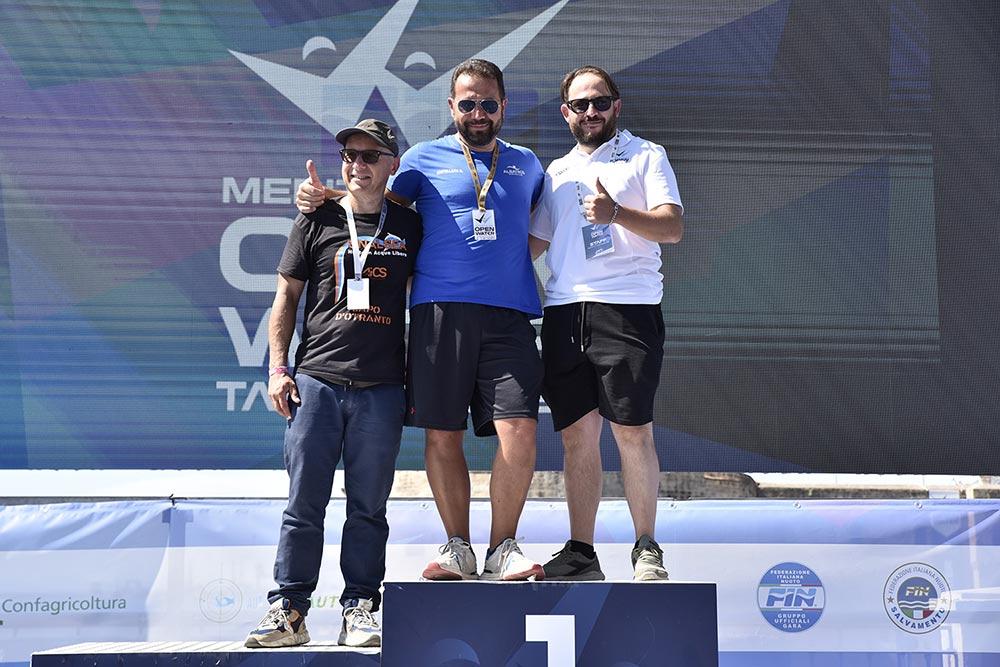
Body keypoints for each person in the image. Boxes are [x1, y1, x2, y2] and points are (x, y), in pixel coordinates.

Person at [296, 59, 546, 582]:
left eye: (488, 103)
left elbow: (541, 229)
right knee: (442, 433)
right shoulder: (420, 159)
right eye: (468, 103)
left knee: (520, 430)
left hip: (510, 316)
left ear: (504, 106)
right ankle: (458, 546)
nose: (478, 113)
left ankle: (503, 547)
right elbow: (372, 205)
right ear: (452, 106)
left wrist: (506, 263)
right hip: (438, 314)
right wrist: (326, 197)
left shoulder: (527, 164)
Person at [245, 119, 421, 648]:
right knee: (304, 505)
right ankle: (289, 610)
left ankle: (359, 610)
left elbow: (426, 301)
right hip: (316, 381)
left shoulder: (410, 225)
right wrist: (278, 369)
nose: (357, 164)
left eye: (369, 156)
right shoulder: (315, 217)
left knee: (369, 509)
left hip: (382, 386)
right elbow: (285, 297)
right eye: (349, 155)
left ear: (392, 164)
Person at [528, 66, 684, 581]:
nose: (590, 111)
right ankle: (581, 552)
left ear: (617, 105)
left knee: (632, 432)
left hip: (627, 308)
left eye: (600, 101)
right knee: (576, 437)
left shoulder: (646, 155)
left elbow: (672, 227)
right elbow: (535, 244)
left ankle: (646, 548)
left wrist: (616, 213)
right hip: (563, 312)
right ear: (565, 113)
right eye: (580, 104)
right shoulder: (555, 171)